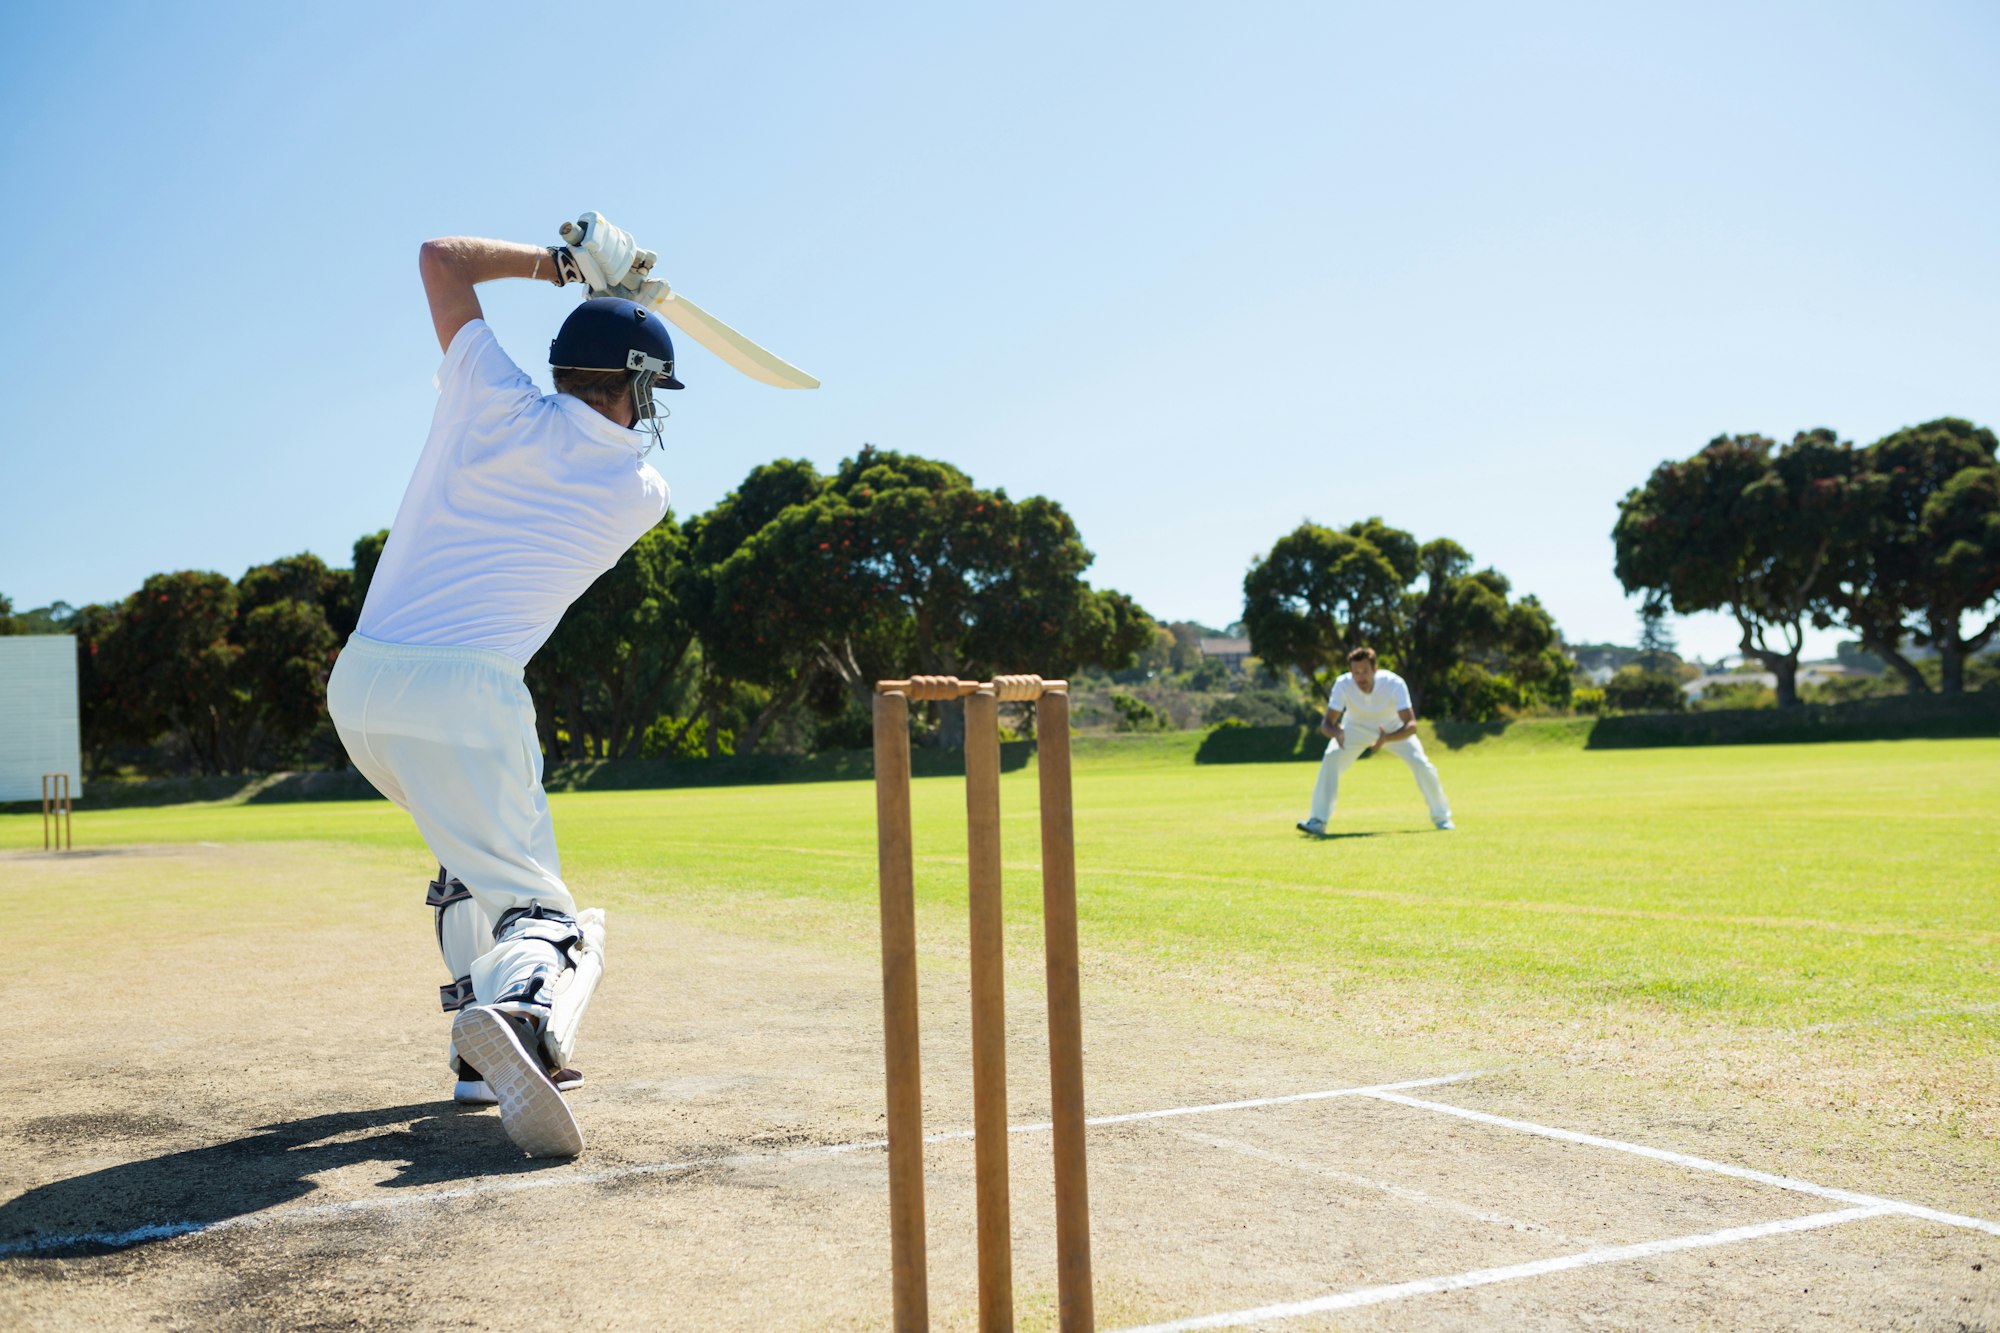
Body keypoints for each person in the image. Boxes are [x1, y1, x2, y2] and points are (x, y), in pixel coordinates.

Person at [327, 224, 679, 1157]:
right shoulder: (642, 494)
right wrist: (616, 299)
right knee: (551, 920)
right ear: (638, 386)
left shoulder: (489, 397)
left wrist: (560, 266)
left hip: (359, 686)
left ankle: (478, 1063)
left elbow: (439, 257)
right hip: (467, 695)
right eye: (649, 391)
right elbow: (603, 431)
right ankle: (520, 1016)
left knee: (468, 864)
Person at [1297, 646, 1454, 835]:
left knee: (1421, 764)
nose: (1360, 677)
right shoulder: (1343, 684)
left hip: (1391, 729)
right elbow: (1326, 724)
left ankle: (1442, 818)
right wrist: (1336, 734)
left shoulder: (1394, 683)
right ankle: (1317, 821)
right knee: (1331, 758)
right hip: (1354, 728)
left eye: (1365, 671)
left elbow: (1411, 725)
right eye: (1356, 672)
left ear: (1375, 669)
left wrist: (1387, 738)